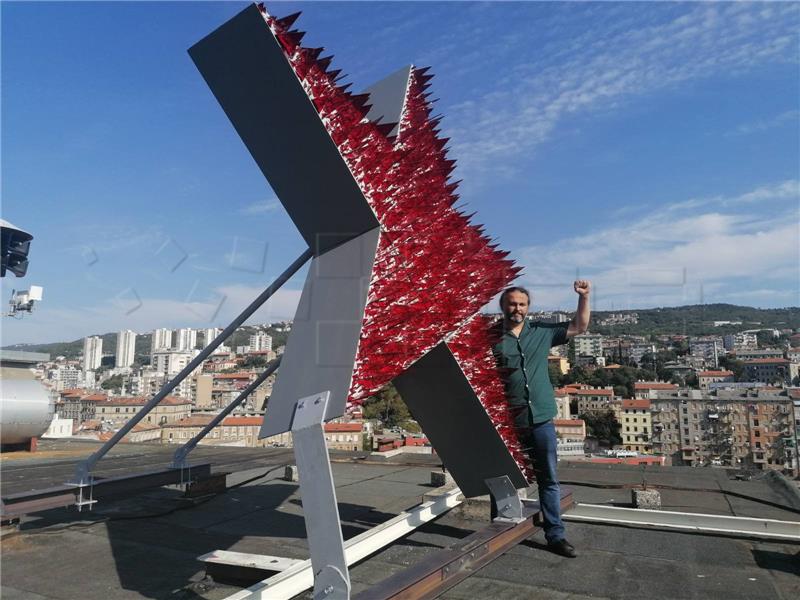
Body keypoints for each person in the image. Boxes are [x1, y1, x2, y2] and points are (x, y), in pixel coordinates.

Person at [492, 280, 591, 558]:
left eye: (522, 304)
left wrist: (584, 297)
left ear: (528, 308)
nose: (517, 308)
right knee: (504, 478)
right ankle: (500, 529)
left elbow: (580, 326)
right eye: (512, 303)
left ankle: (555, 535)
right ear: (503, 306)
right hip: (509, 419)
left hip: (542, 417)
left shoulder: (541, 332)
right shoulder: (489, 338)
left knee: (548, 478)